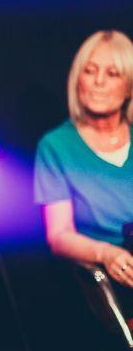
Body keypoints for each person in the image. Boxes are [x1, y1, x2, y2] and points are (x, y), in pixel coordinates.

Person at [34, 30, 133, 320]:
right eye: (90, 71)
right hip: (116, 277)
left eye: (112, 73)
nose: (99, 82)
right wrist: (106, 254)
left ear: (129, 87)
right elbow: (59, 235)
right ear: (78, 79)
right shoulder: (56, 146)